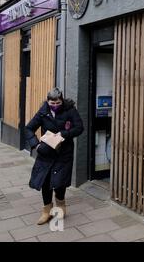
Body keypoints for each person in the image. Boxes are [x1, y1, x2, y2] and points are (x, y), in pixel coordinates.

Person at [24, 88, 84, 225]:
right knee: (45, 181)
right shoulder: (43, 112)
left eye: (58, 103)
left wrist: (64, 134)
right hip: (46, 152)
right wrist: (36, 145)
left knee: (59, 182)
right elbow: (29, 129)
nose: (55, 105)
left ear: (61, 100)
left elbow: (79, 128)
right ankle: (46, 211)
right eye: (52, 103)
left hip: (64, 153)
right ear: (48, 101)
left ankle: (61, 205)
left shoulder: (70, 110)